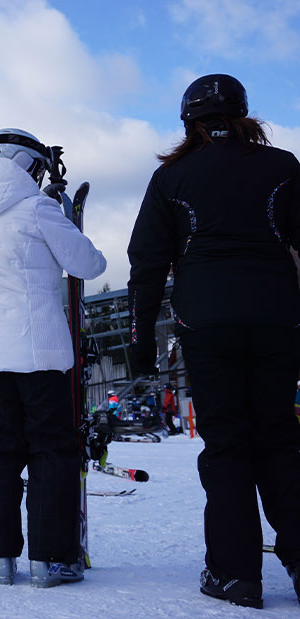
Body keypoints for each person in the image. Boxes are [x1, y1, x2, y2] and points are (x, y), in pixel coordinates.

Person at [127, 74, 300, 609]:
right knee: (280, 440)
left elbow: (147, 263)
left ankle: (235, 575)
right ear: (244, 114)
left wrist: (140, 346)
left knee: (226, 446)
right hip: (278, 320)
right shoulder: (284, 167)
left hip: (207, 324)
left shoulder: (172, 177)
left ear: (189, 122)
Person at [0, 128, 106, 587]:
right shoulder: (38, 208)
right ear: (29, 165)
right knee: (51, 450)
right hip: (39, 351)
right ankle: (51, 559)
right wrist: (67, 220)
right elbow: (89, 265)